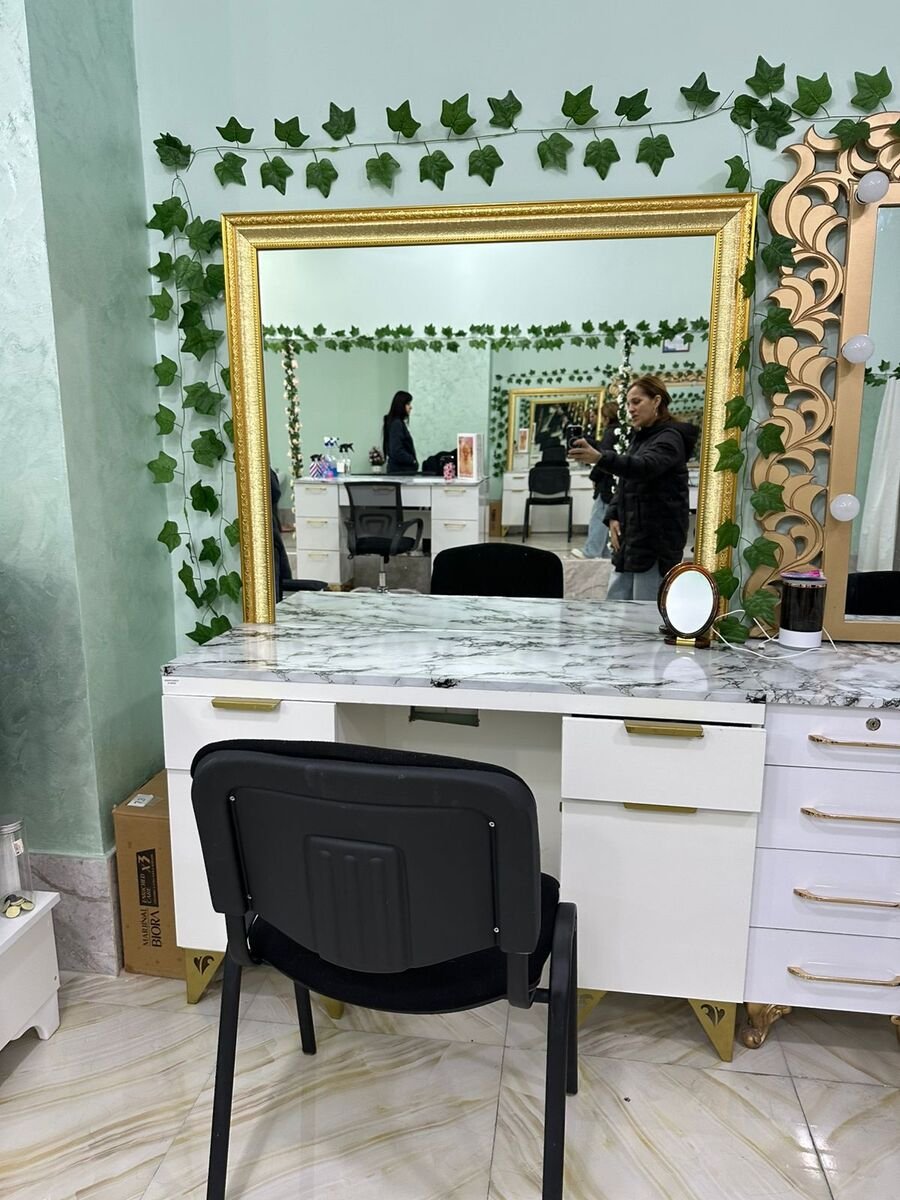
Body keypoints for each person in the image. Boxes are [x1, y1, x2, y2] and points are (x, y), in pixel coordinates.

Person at [568, 375, 699, 601]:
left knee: (645, 608)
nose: (631, 409)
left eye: (637, 402)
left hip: (655, 542)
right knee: (618, 604)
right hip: (633, 539)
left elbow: (644, 467)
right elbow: (627, 481)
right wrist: (614, 514)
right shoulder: (643, 437)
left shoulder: (670, 438)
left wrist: (600, 458)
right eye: (629, 403)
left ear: (656, 401)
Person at [570, 400, 619, 560]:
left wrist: (594, 477)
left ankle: (591, 551)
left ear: (606, 418)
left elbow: (603, 459)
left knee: (599, 516)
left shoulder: (609, 434)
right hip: (613, 482)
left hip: (606, 483)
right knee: (604, 517)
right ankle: (604, 553)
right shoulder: (619, 433)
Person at [382, 390, 418, 474]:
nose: (410, 407)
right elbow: (396, 451)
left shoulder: (395, 422)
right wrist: (412, 460)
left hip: (398, 471)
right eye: (408, 404)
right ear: (401, 405)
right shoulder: (397, 424)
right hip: (401, 472)